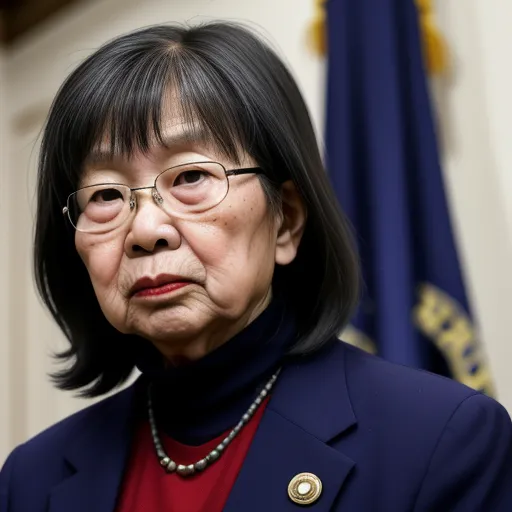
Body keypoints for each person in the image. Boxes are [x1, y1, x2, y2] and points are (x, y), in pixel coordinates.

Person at [1, 22, 511, 512]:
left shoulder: (438, 438)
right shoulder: (30, 479)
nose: (145, 230)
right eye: (107, 194)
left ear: (285, 221)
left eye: (191, 176)